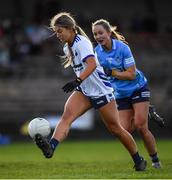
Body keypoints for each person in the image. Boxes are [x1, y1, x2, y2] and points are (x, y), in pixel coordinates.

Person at [34, 12, 147, 171]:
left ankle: (138, 159)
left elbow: (92, 64)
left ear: (71, 28)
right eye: (55, 32)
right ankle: (51, 147)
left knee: (116, 130)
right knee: (66, 117)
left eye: (60, 31)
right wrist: (79, 83)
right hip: (85, 91)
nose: (57, 35)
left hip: (101, 92)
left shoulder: (82, 43)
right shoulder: (68, 47)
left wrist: (77, 80)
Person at [92, 19, 161, 169]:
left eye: (101, 33)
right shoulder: (97, 52)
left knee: (140, 126)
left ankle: (155, 161)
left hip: (138, 88)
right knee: (122, 131)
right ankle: (146, 110)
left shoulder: (123, 48)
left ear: (109, 33)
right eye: (95, 34)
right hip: (121, 94)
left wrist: (112, 72)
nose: (98, 36)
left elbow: (131, 75)